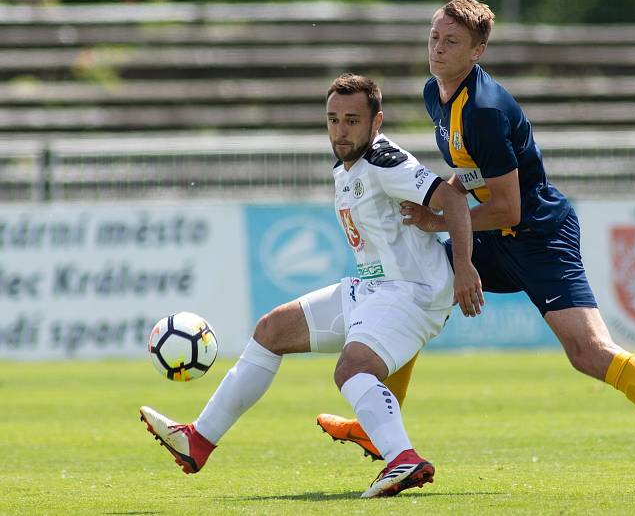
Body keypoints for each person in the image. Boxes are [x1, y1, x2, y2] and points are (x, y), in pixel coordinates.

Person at [316, 0, 635, 493]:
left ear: (478, 50)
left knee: (588, 351)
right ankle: (375, 424)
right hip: (493, 231)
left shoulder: (486, 111)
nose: (438, 49)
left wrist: (441, 224)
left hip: (537, 234)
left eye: (452, 42)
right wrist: (444, 210)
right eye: (434, 37)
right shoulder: (436, 93)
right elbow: (469, 173)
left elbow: (508, 208)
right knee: (421, 291)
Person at [139, 73, 484, 498]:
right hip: (372, 288)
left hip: (412, 292)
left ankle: (403, 458)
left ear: (376, 123)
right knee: (270, 331)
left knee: (351, 370)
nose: (341, 130)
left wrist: (465, 266)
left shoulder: (385, 161)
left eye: (352, 121)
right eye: (334, 119)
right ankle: (199, 439)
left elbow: (451, 199)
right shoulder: (349, 165)